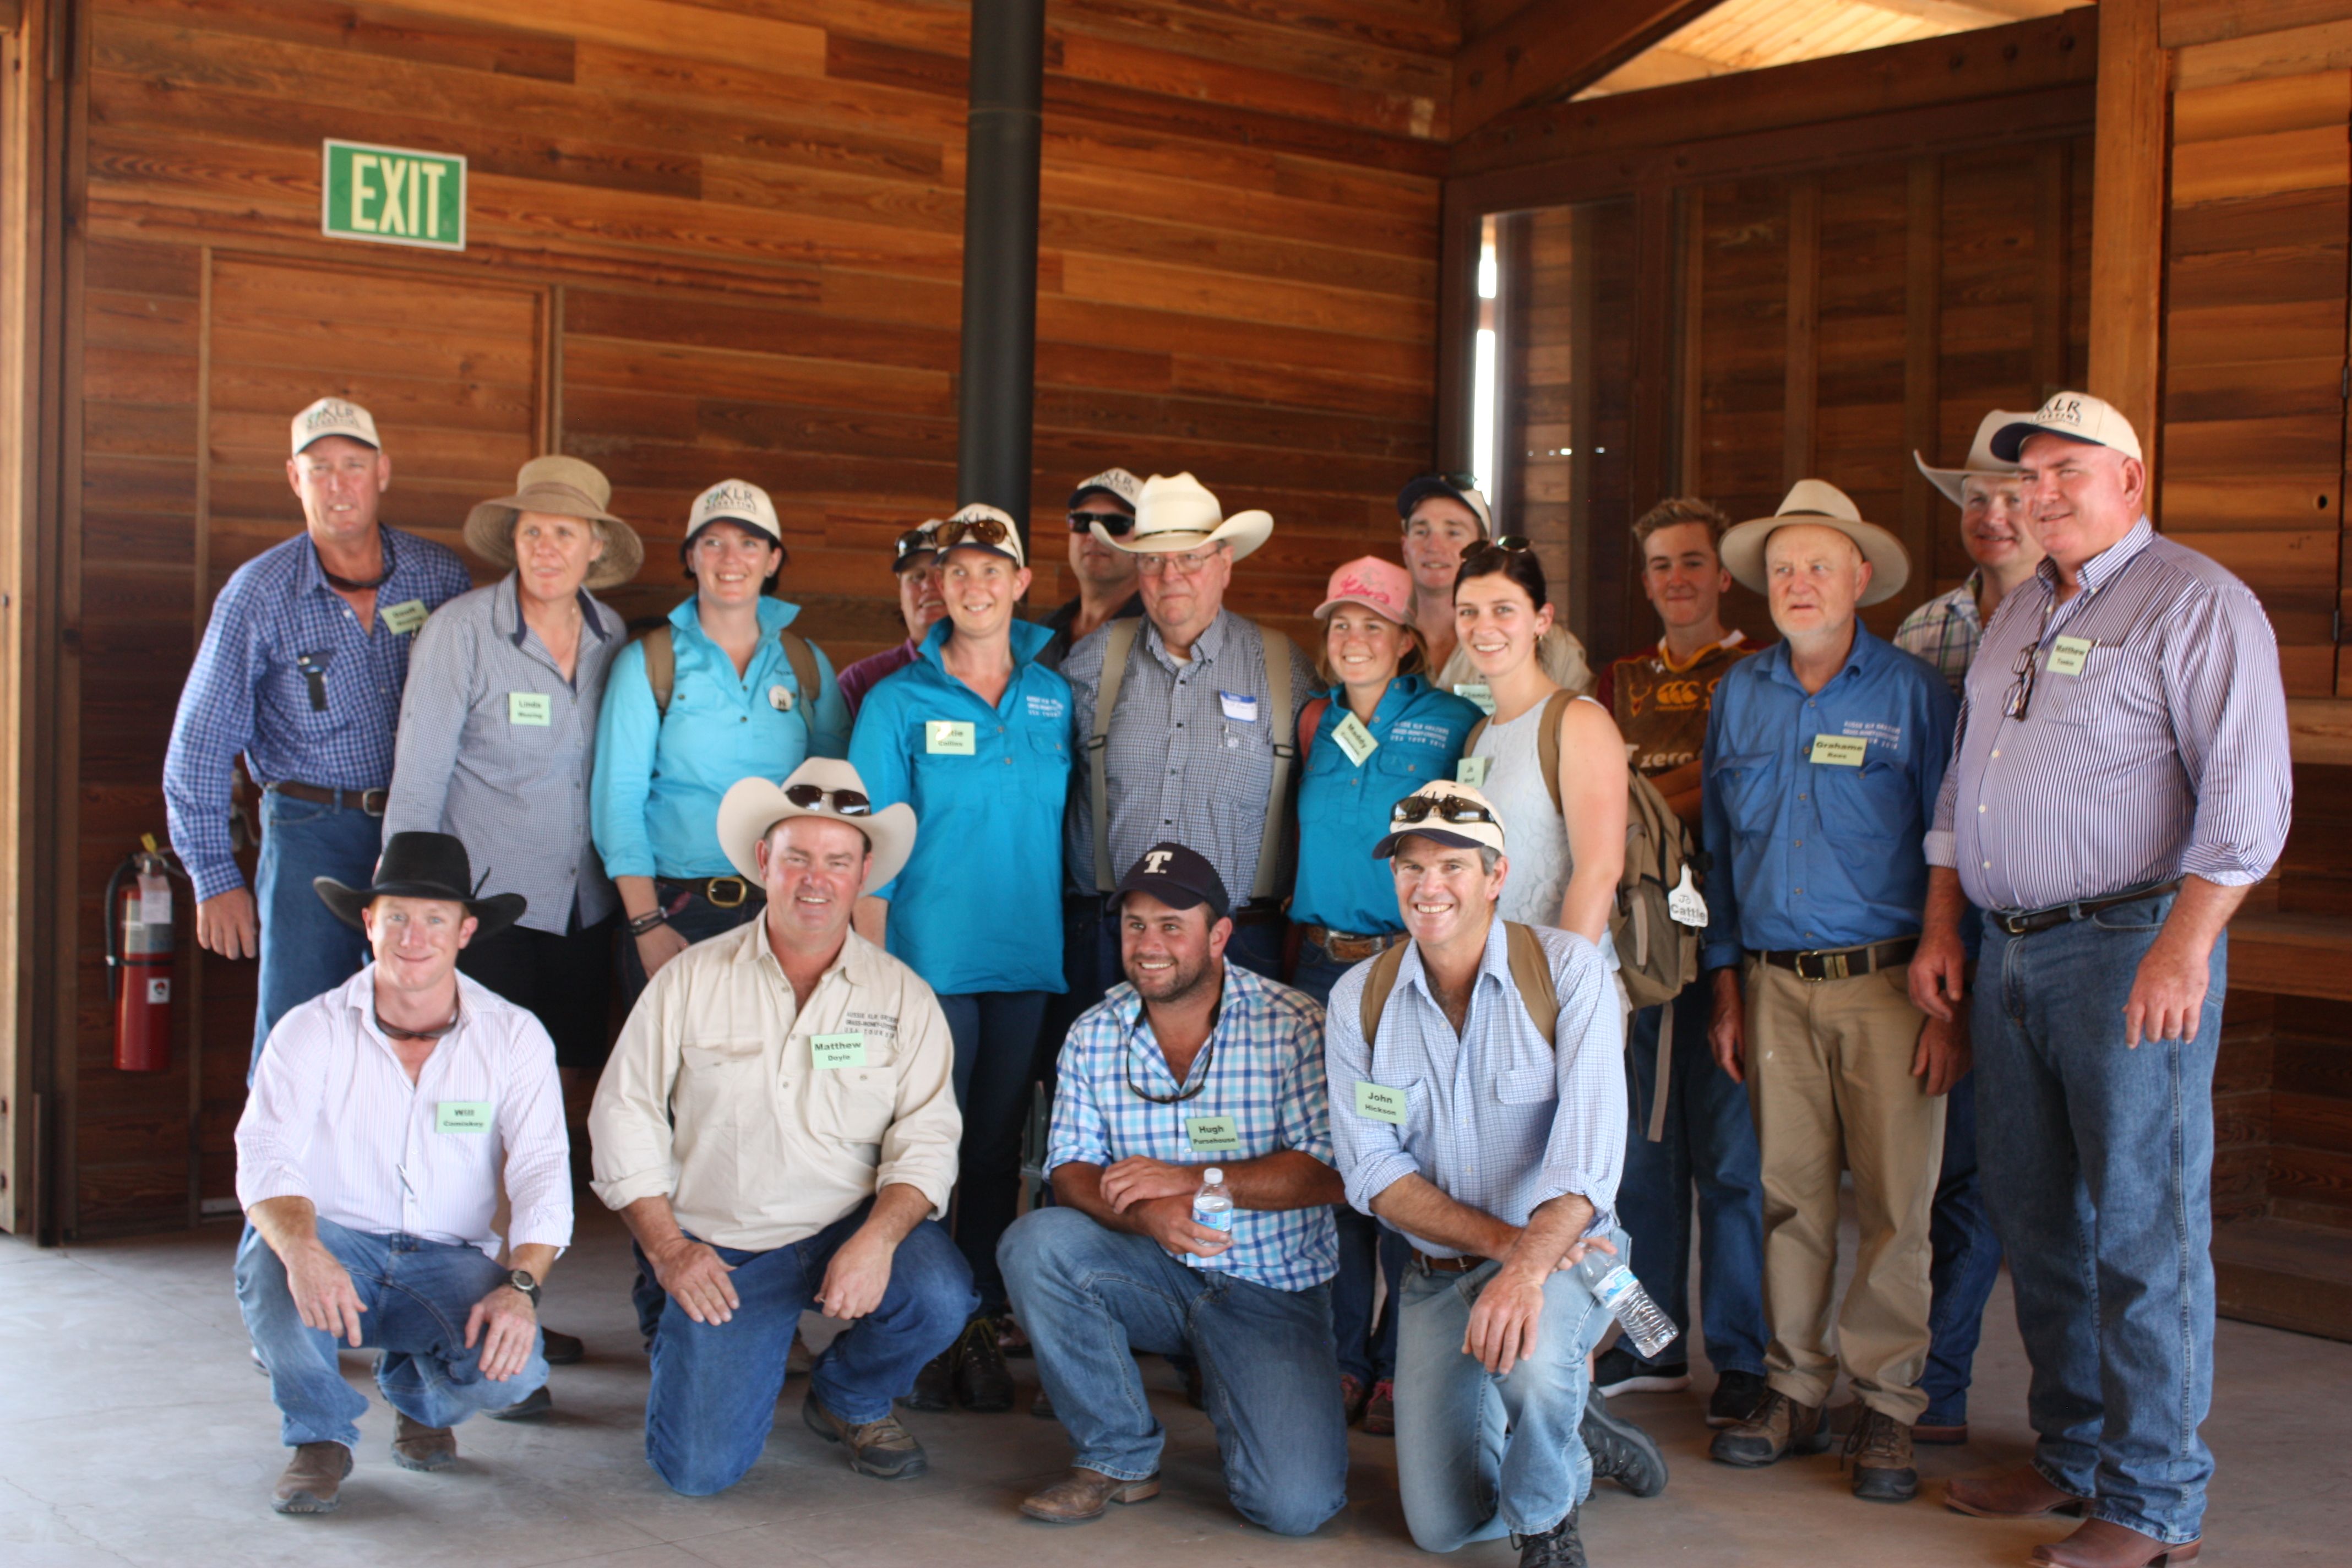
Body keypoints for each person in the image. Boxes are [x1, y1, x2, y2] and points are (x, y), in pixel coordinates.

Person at [1916, 394, 2291, 1568]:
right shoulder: (2023, 606)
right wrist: (1945, 922)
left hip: (2131, 945)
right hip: (2010, 945)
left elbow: (2247, 798)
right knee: (2037, 1217)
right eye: (2029, 478)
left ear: (2130, 478)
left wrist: (2184, 946)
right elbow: (1965, 783)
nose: (2042, 495)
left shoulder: (2197, 601)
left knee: (2143, 1226)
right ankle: (2072, 1451)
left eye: (2067, 472)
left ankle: (2155, 1498)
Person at [588, 760, 974, 1496]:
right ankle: (669, 1306)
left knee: (939, 1295)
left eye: (837, 861)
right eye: (797, 857)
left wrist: (877, 1240)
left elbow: (927, 1140)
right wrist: (670, 1251)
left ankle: (848, 1395)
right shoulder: (689, 978)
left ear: (864, 874)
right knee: (696, 1472)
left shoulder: (904, 997)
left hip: (846, 1228)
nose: (815, 880)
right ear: (764, 861)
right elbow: (623, 1113)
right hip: (724, 1249)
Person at [1698, 480, 1959, 1505]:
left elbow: (1953, 849)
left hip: (1891, 984)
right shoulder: (1741, 693)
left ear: (1860, 577)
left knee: (1897, 1204)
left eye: (1818, 565)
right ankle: (1794, 1387)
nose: (1798, 583)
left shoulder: (1912, 694)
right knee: (1787, 1197)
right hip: (1772, 985)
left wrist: (1953, 1002)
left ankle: (1887, 1404)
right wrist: (1726, 985)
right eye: (1782, 569)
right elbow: (1719, 852)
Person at [1326, 780, 1662, 1568]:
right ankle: (1578, 1441)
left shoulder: (1569, 972)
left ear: (1496, 875)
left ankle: (1547, 1526)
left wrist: (1527, 1267)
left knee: (1538, 1367)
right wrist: (1505, 1248)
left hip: (1569, 1260)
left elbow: (1586, 1164)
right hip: (1441, 1274)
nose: (1429, 886)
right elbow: (1373, 1173)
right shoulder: (1359, 999)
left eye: (1453, 865)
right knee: (1442, 1526)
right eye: (1411, 866)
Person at [998, 842, 1348, 1536]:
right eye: (1135, 925)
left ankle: (1236, 1375)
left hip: (1267, 1287)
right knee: (1036, 1244)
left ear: (1219, 936)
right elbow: (1069, 1170)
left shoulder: (1295, 1023)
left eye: (1171, 926)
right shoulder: (1095, 1032)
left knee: (1294, 1507)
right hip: (1151, 1270)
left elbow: (1331, 1173)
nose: (1149, 944)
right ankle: (1118, 1455)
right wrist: (1149, 1215)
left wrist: (1190, 1179)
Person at [233, 832, 567, 1515]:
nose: (414, 937)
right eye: (397, 917)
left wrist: (522, 1288)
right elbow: (264, 1152)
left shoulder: (515, 1035)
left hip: (449, 1261)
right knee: (269, 1259)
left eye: (435, 919)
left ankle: (416, 1395)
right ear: (369, 922)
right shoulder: (308, 1028)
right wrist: (303, 1249)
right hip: (339, 1249)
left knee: (512, 1377)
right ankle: (320, 1436)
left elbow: (541, 1169)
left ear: (465, 931)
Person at [165, 398, 471, 1069]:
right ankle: (283, 1145)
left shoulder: (440, 575)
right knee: (297, 1029)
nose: (339, 485)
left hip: (421, 827)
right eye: (320, 468)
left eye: (353, 466)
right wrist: (214, 876)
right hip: (310, 832)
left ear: (382, 471)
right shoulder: (258, 593)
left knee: (419, 1024)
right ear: (294, 478)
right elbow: (200, 743)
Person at [848, 502, 1071, 1413]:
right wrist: (869, 975)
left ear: (1021, 583)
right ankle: (913, 1327)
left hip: (1026, 961)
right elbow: (869, 848)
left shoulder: (1055, 695)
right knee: (918, 1151)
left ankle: (975, 1319)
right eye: (958, 571)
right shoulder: (897, 700)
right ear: (937, 584)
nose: (974, 585)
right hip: (926, 966)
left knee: (991, 1156)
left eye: (992, 569)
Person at [1287, 554, 1481, 1435]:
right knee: (1337, 1166)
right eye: (1341, 625)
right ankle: (1342, 1357)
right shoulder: (1314, 720)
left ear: (1407, 641)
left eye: (1373, 625)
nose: (1354, 639)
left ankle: (1405, 1359)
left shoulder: (1453, 722)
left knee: (1411, 1161)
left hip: (1411, 967)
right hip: (1322, 966)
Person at [1589, 497, 1768, 1429]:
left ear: (1722, 574)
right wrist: (1659, 797)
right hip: (1640, 947)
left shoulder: (1755, 673)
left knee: (1733, 1163)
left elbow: (1729, 785)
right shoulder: (1617, 679)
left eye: (1692, 561)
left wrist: (1630, 801)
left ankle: (1742, 1358)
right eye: (1661, 564)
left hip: (1733, 941)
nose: (1677, 579)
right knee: (1641, 1160)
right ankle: (1649, 1343)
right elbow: (1589, 785)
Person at [1894, 409, 2043, 1448]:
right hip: (1937, 911)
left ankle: (1941, 1382)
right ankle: (1921, 1378)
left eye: (2010, 497)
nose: (1992, 515)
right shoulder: (1925, 630)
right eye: (1975, 499)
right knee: (1936, 1163)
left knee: (1992, 1169)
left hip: (2032, 909)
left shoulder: (2079, 619)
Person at [592, 478, 851, 1005]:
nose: (731, 559)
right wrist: (646, 924)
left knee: (788, 1057)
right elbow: (617, 801)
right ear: (691, 557)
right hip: (678, 909)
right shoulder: (648, 663)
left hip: (789, 908)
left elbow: (839, 797)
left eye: (749, 543)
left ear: (773, 560)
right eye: (713, 542)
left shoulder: (806, 663)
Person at [1063, 472, 1317, 1000]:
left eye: (1190, 559)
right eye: (1153, 560)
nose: (1169, 576)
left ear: (1225, 563)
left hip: (1243, 940)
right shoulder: (1093, 660)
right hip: (1112, 938)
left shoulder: (1283, 667)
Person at [1453, 542, 1629, 954]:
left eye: (1503, 610)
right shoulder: (1478, 735)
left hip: (1561, 979)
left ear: (1542, 619)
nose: (1483, 627)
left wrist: (1554, 982)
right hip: (1493, 974)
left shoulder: (1579, 721)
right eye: (1468, 612)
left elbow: (1600, 870)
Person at [1395, 473, 1593, 700]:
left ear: (1484, 550)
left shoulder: (1553, 646)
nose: (1434, 546)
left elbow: (1583, 716)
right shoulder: (1381, 639)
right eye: (1421, 531)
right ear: (1405, 548)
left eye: (1453, 532)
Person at [836, 519, 947, 720]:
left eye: (942, 575)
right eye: (916, 576)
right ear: (901, 597)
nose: (928, 585)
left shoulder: (1000, 678)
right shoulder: (859, 682)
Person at [1038, 467, 1146, 672]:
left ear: (1145, 539)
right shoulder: (1043, 632)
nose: (1094, 535)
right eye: (1083, 522)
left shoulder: (1160, 636)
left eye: (1115, 524)